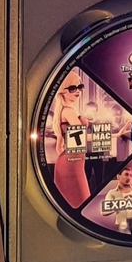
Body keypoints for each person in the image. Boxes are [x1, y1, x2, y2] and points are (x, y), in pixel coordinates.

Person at [51, 70, 90, 209]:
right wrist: (114, 135)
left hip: (72, 164)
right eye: (72, 88)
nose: (77, 91)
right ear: (62, 91)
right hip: (72, 167)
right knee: (82, 203)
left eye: (80, 87)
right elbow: (81, 136)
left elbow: (59, 147)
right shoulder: (69, 111)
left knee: (75, 205)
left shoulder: (65, 111)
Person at [104, 167, 132, 234]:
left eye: (130, 175)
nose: (129, 177)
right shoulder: (112, 192)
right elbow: (104, 212)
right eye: (126, 174)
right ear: (118, 176)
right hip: (123, 224)